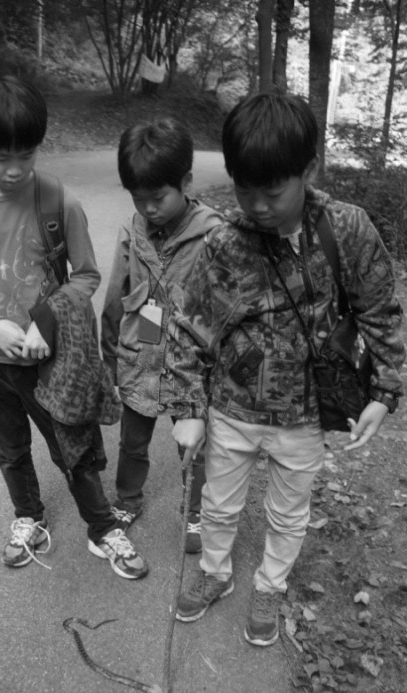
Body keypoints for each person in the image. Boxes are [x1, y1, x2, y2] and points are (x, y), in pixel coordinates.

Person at [167, 91, 405, 643]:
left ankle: (270, 585)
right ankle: (215, 573)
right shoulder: (226, 245)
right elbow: (189, 327)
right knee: (217, 506)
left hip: (305, 415)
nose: (257, 206)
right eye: (244, 189)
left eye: (272, 191)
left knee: (288, 513)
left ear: (308, 170)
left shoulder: (347, 230)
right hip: (232, 410)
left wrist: (384, 392)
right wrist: (187, 409)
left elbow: (379, 311)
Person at [0, 75, 148, 579]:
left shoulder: (57, 201)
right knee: (10, 449)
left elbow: (87, 275)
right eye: (1, 156)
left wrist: (47, 322)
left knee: (72, 446)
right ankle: (29, 517)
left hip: (50, 362)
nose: (15, 169)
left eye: (26, 156)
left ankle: (102, 528)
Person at [101, 118, 222, 553]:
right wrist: (110, 354)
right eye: (138, 198)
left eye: (158, 197)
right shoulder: (132, 233)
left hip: (189, 369)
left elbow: (225, 309)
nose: (148, 208)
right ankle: (127, 498)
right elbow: (115, 297)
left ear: (185, 182)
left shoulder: (213, 234)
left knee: (194, 445)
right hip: (140, 359)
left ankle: (197, 511)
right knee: (132, 441)